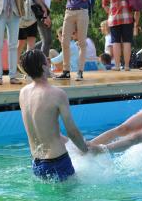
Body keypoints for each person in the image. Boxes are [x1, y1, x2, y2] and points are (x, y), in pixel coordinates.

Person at [19, 49, 90, 181]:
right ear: (43, 67)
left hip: (36, 163)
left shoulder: (23, 93)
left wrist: (68, 143)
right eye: (47, 62)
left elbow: (43, 128)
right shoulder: (57, 94)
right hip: (58, 162)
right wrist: (85, 150)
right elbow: (72, 131)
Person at [55, 0, 93, 81]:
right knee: (64, 41)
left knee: (81, 43)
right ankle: (66, 71)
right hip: (69, 11)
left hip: (82, 12)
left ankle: (80, 71)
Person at [102, 0, 141, 72]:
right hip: (127, 17)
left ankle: (118, 66)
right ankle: (127, 66)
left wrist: (110, 12)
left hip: (113, 18)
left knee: (116, 42)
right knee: (127, 41)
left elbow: (104, 4)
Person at [17, 0, 48, 67]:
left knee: (19, 44)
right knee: (31, 45)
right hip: (30, 17)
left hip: (18, 16)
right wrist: (44, 8)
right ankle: (28, 68)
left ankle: (14, 68)